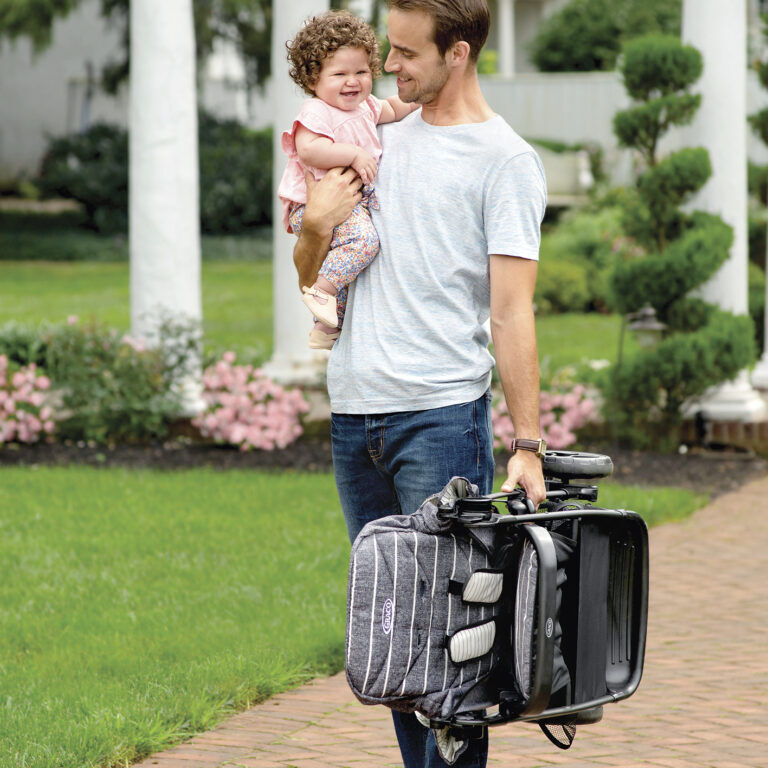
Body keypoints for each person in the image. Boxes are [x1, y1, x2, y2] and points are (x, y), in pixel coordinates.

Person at [294, 1, 547, 765]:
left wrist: (528, 444)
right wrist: (315, 226)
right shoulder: (370, 140)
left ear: (457, 53)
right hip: (355, 418)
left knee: (454, 646)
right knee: (397, 640)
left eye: (405, 52)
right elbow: (310, 272)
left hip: (439, 419)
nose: (387, 66)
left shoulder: (504, 160)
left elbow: (512, 310)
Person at [278, 10, 417, 349]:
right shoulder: (317, 111)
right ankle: (321, 292)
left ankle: (325, 328)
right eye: (339, 73)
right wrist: (353, 154)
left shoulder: (366, 107)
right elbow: (309, 150)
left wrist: (422, 102)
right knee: (363, 243)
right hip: (311, 203)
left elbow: (393, 108)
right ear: (313, 80)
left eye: (361, 72)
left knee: (344, 261)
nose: (352, 81)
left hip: (345, 204)